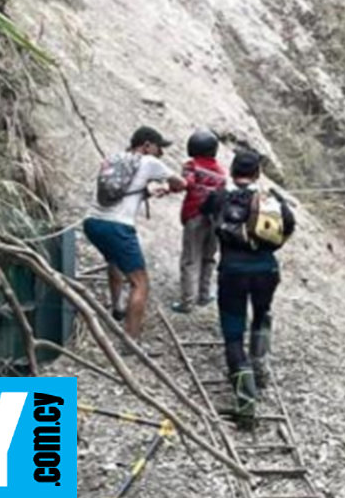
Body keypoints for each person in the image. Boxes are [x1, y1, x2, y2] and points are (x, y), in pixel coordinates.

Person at [202, 149, 296, 425]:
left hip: (232, 272)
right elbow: (289, 225)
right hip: (266, 270)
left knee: (233, 335)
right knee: (262, 314)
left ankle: (246, 403)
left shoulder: (221, 195)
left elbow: (205, 210)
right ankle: (260, 366)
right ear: (257, 174)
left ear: (232, 172)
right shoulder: (272, 199)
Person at [83, 126, 185, 344]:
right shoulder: (149, 162)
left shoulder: (113, 159)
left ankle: (118, 308)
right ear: (147, 145)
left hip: (92, 222)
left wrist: (148, 191)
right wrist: (171, 186)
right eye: (159, 148)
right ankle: (131, 341)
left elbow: (119, 193)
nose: (161, 154)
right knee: (140, 283)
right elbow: (180, 183)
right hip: (118, 227)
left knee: (114, 260)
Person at [173, 129, 227, 314]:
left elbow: (184, 183)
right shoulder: (221, 172)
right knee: (208, 257)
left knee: (190, 259)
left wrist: (169, 186)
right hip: (215, 219)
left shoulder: (191, 166)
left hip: (194, 216)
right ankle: (204, 295)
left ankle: (187, 302)